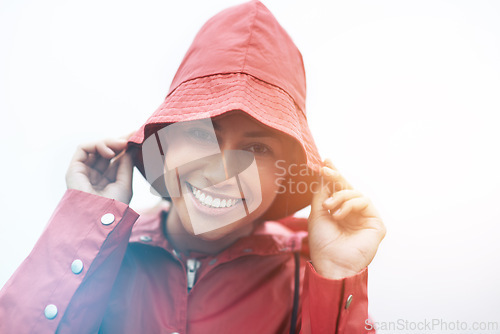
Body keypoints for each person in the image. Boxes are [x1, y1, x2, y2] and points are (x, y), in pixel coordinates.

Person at [0, 1, 386, 333]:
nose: (221, 171)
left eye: (256, 147)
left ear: (284, 172)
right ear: (162, 147)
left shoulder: (308, 272)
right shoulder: (104, 255)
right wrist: (84, 223)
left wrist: (336, 276)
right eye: (203, 135)